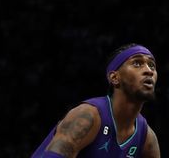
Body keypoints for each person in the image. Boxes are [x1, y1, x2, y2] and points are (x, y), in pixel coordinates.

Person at [31, 43, 160, 158]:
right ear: (114, 78)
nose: (149, 71)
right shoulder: (87, 116)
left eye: (152, 65)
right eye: (137, 63)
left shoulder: (147, 138)